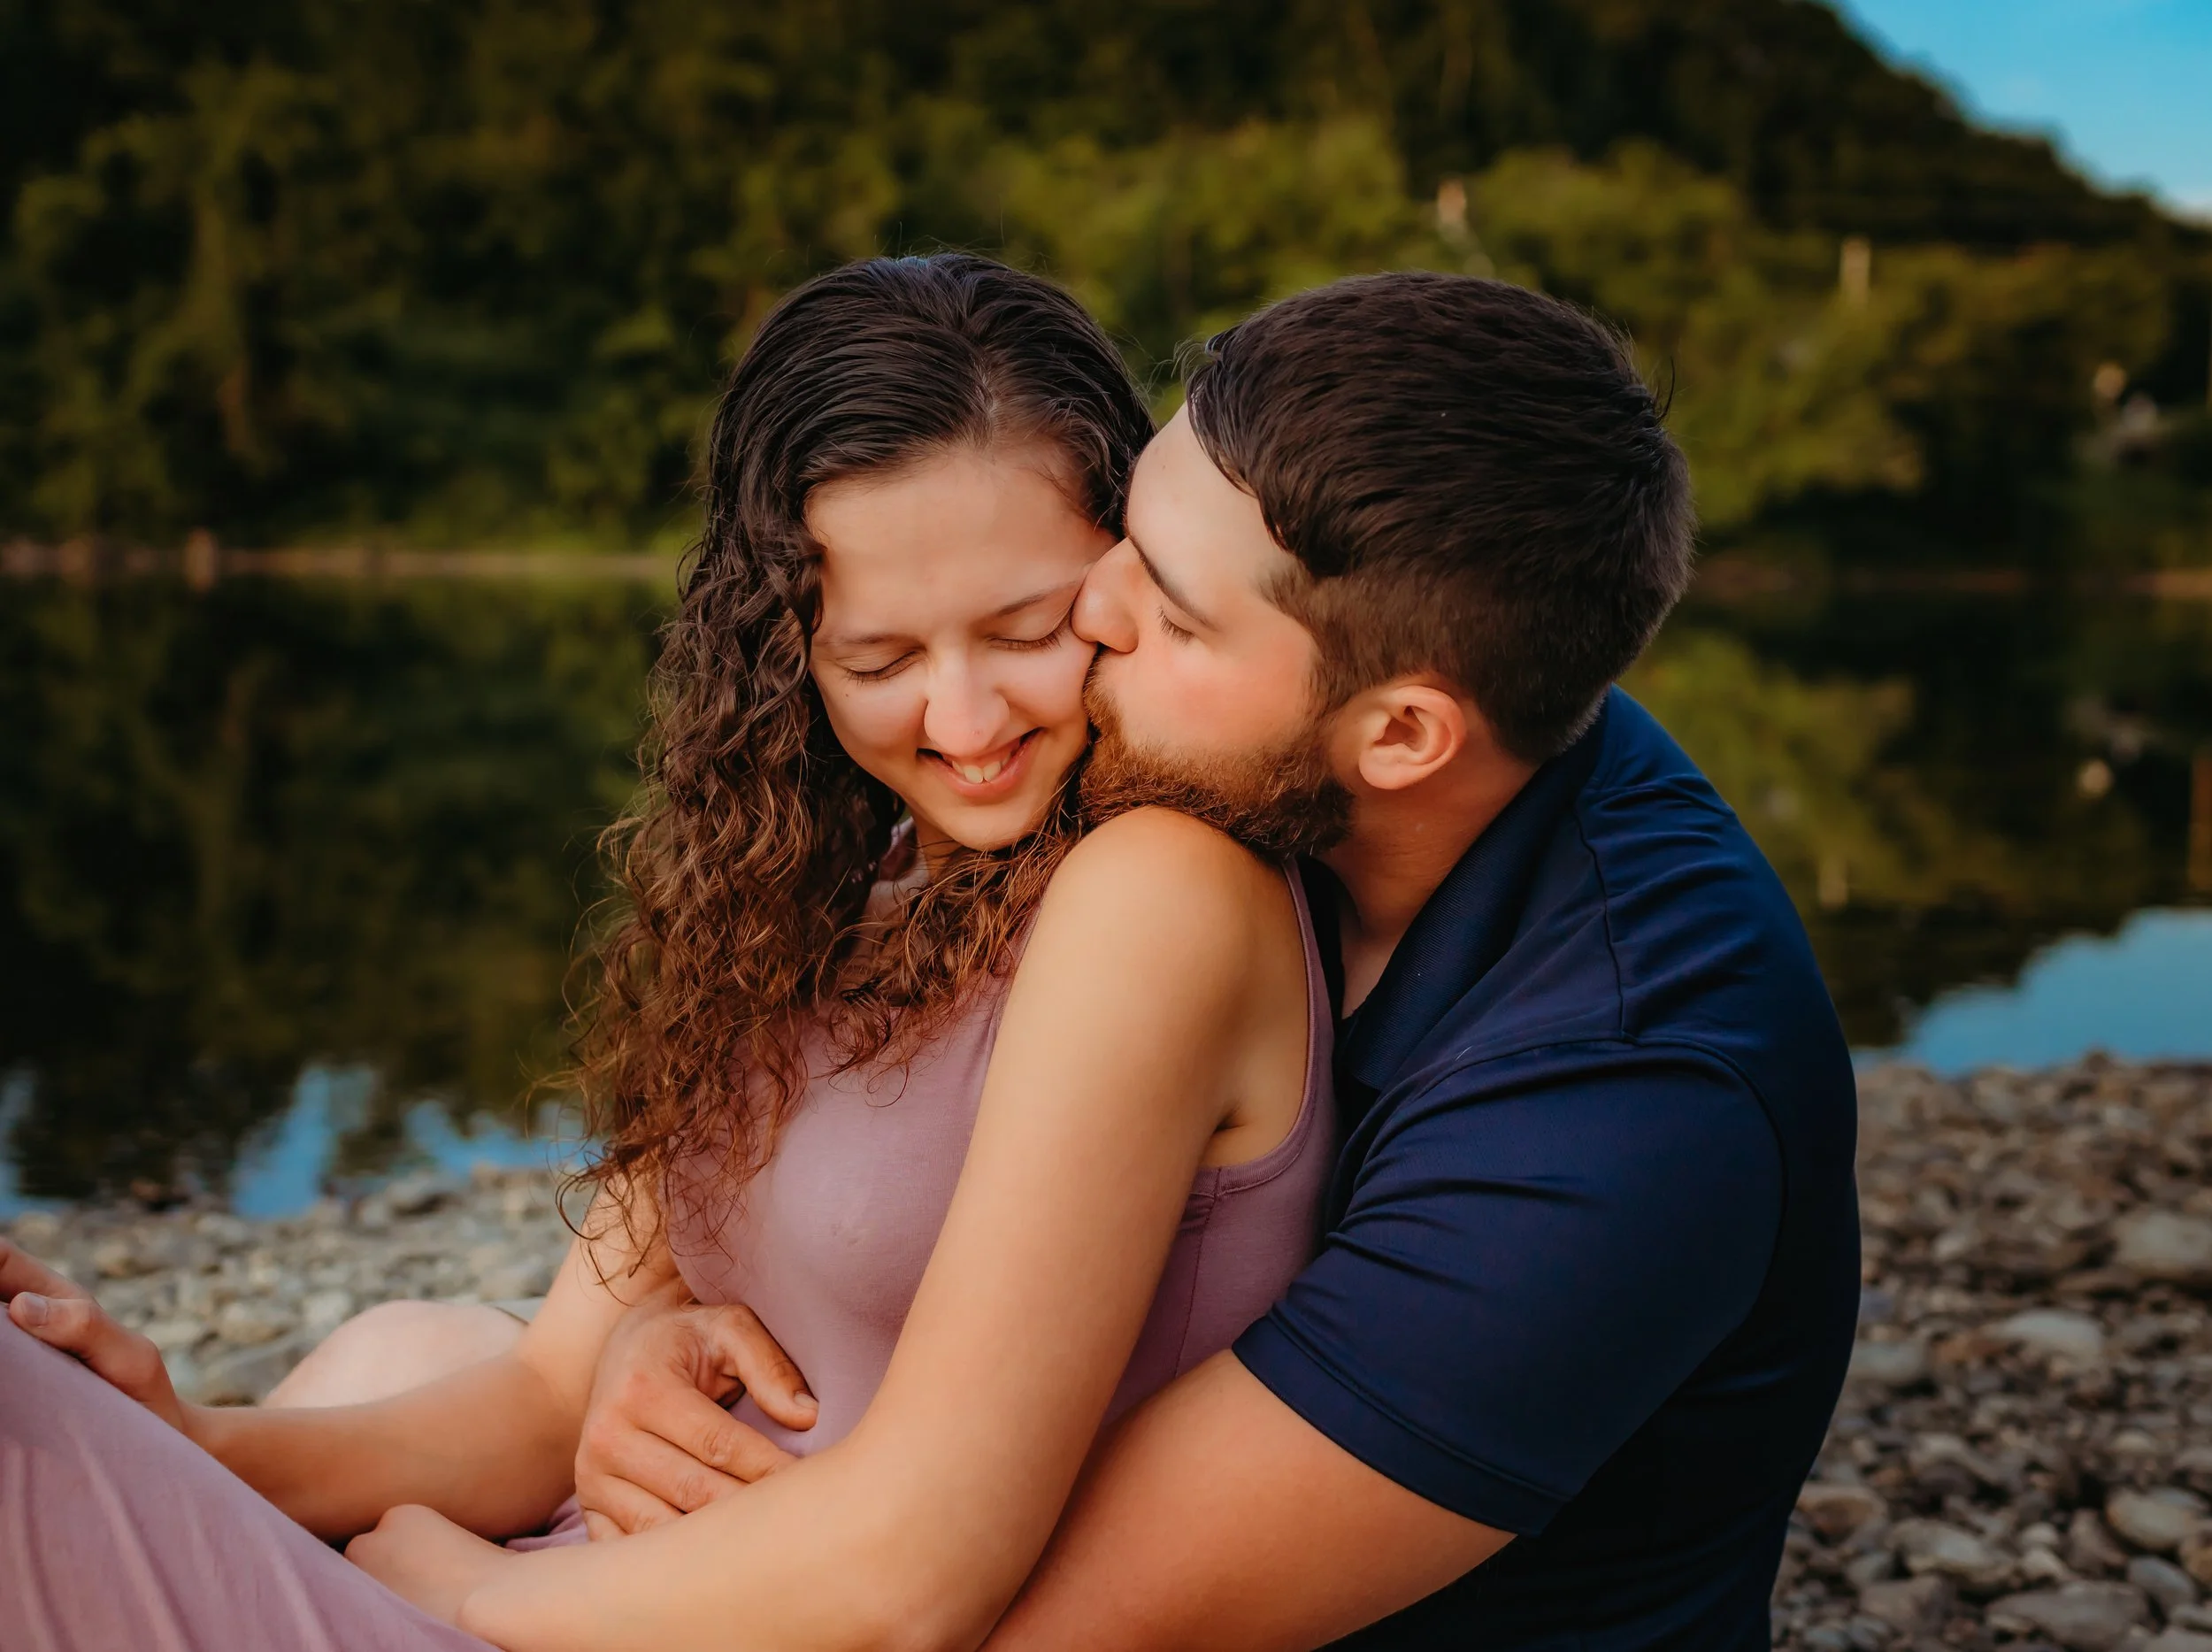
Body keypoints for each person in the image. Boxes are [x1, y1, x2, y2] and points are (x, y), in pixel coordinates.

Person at [0, 254, 1339, 1649]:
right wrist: (175, 1430)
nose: (964, 716)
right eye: (879, 660)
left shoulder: (1159, 890)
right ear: (790, 652)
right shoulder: (829, 891)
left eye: (1027, 628)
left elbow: (913, 1573)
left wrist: (468, 1589)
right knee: (383, 1346)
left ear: (1128, 581)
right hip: (597, 1582)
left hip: (601, 1614)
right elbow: (539, 1396)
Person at [574, 273, 1864, 1649]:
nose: (1093, 614)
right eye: (1127, 536)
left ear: (1403, 737)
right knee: (398, 1361)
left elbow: (1023, 1621)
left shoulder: (1624, 1100)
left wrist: (467, 1588)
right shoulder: (1325, 745)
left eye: (1177, 617)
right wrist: (673, 1354)